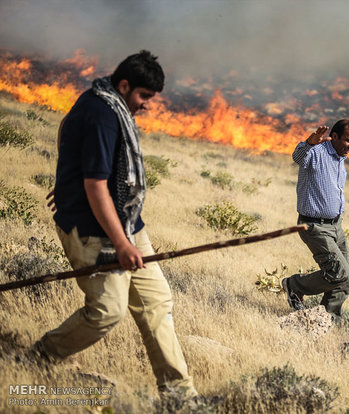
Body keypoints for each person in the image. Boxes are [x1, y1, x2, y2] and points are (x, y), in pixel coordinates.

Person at [33, 50, 197, 399]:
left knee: (156, 302)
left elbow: (66, 127)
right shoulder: (102, 116)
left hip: (129, 224)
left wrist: (67, 178)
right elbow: (95, 186)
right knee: (107, 312)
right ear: (124, 85)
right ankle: (43, 355)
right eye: (143, 96)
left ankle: (179, 395)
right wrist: (122, 244)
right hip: (94, 233)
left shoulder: (104, 99)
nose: (147, 105)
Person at [281, 119, 349, 318]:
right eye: (348, 140)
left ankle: (328, 320)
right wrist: (309, 142)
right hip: (314, 226)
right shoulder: (317, 152)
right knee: (338, 273)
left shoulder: (341, 158)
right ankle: (294, 285)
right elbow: (298, 157)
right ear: (334, 136)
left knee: (344, 279)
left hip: (336, 226)